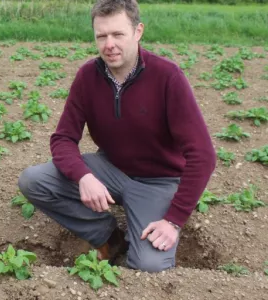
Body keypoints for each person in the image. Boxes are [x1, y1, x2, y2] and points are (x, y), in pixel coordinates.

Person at [18, 0, 216, 273]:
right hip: (110, 170)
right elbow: (63, 138)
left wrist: (173, 220)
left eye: (118, 34)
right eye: (101, 36)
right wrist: (84, 177)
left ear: (138, 32)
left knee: (149, 265)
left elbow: (203, 155)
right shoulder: (88, 76)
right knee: (34, 180)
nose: (109, 44)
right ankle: (108, 237)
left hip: (158, 182)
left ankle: (149, 228)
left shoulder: (168, 77)